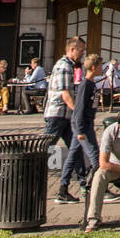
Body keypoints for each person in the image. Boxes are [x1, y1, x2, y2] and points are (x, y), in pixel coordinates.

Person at [46, 36, 86, 204]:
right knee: (44, 149)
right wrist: (79, 112)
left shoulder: (70, 66)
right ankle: (29, 176)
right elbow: (66, 94)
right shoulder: (64, 66)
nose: (83, 54)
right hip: (57, 116)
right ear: (72, 49)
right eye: (81, 50)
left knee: (76, 150)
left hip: (65, 116)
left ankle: (82, 185)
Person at [61, 52, 103, 200]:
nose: (102, 68)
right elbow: (78, 108)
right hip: (82, 124)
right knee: (95, 156)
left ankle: (63, 188)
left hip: (85, 123)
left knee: (72, 155)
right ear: (93, 67)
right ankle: (96, 188)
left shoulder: (91, 84)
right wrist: (79, 130)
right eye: (100, 65)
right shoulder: (86, 85)